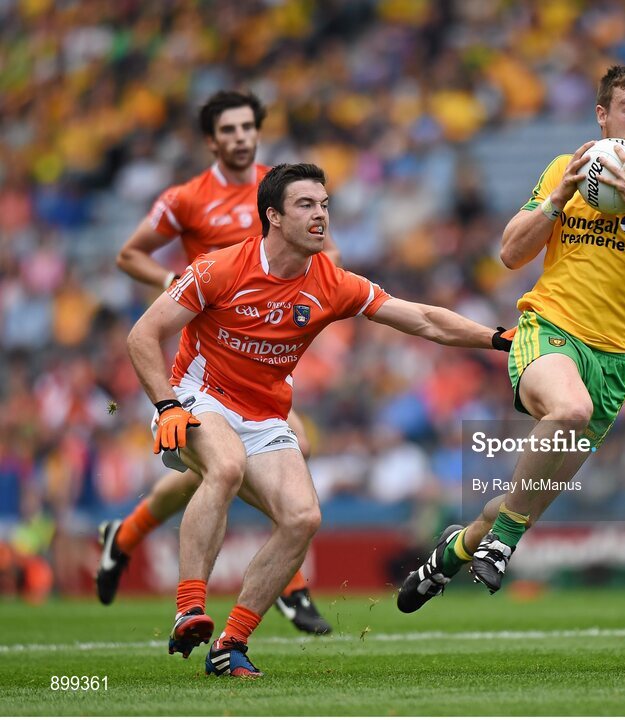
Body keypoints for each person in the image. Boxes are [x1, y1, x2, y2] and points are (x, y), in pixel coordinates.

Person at [127, 162, 513, 676]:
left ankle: (230, 645)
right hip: (197, 396)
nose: (320, 216)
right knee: (225, 467)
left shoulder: (332, 283)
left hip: (264, 415)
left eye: (325, 205)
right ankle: (189, 608)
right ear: (274, 217)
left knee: (303, 518)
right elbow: (141, 336)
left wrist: (496, 338)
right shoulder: (220, 269)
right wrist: (166, 404)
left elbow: (421, 319)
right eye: (306, 205)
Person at [398, 65, 625, 611]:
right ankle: (502, 548)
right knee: (568, 410)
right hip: (549, 331)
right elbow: (511, 253)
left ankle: (453, 551)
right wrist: (557, 197)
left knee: (521, 504)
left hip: (615, 360)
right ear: (602, 114)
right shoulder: (566, 168)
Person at [99, 90, 340, 634]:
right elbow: (128, 254)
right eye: (228, 130)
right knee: (235, 463)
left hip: (262, 343)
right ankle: (288, 589)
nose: (240, 137)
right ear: (212, 140)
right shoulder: (187, 198)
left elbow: (320, 252)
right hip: (207, 348)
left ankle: (126, 536)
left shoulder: (283, 190)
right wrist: (179, 286)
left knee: (223, 469)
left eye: (248, 128)